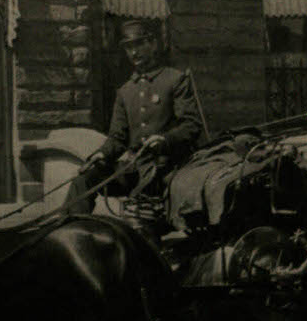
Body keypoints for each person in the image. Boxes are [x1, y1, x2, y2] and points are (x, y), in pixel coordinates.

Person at [63, 18, 203, 238]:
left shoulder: (174, 80)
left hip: (168, 167)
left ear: (153, 44)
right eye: (129, 47)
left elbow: (191, 125)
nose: (134, 52)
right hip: (137, 169)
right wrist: (101, 154)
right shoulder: (125, 91)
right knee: (85, 179)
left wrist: (165, 140)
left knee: (142, 214)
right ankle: (74, 234)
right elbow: (118, 138)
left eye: (139, 44)